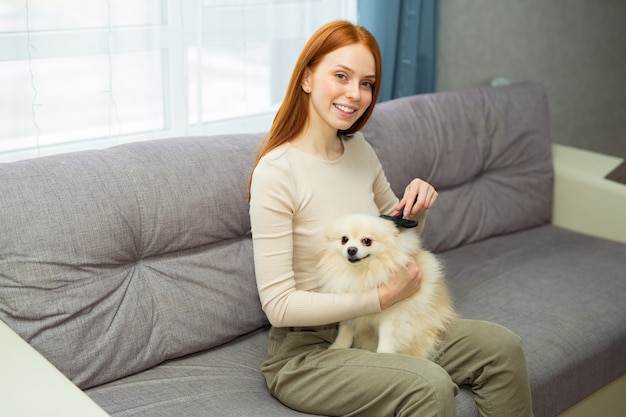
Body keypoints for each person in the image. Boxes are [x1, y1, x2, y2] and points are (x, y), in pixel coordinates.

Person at [248, 20, 534, 417]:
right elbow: (278, 306)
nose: (355, 94)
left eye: (366, 83)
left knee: (502, 348)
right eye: (341, 76)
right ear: (308, 77)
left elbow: (399, 239)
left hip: (380, 321)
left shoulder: (360, 150)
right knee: (427, 385)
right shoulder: (277, 172)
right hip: (309, 350)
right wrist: (379, 298)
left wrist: (416, 214)